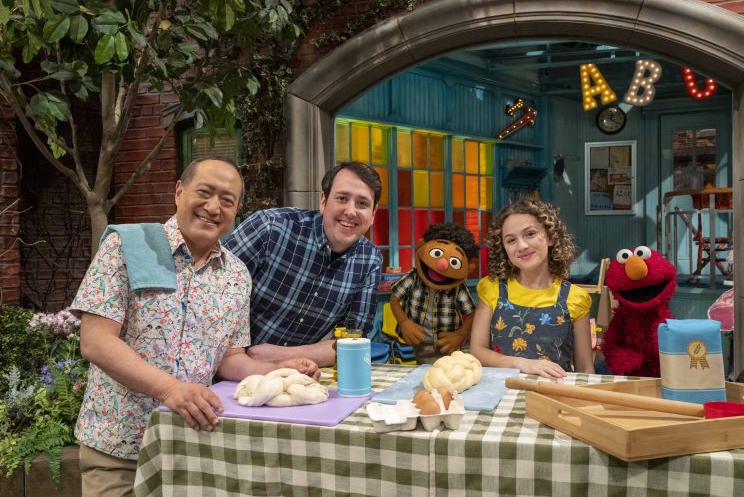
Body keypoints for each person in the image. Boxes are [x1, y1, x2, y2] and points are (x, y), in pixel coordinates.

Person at [71, 157, 319, 497]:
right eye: (205, 192)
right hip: (120, 449)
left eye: (227, 200)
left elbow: (229, 359)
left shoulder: (236, 275)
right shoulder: (128, 246)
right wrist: (170, 389)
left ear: (237, 211)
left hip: (191, 446)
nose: (213, 207)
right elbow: (96, 342)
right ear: (179, 192)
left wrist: (276, 371)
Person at [225, 161, 383, 366]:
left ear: (373, 214)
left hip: (293, 376)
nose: (351, 211)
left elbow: (353, 344)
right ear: (324, 202)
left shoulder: (369, 260)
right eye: (342, 198)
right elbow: (212, 293)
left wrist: (282, 357)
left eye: (362, 203)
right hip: (221, 371)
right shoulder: (271, 228)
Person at [469, 197, 595, 377]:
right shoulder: (492, 288)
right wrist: (521, 364)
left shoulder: (575, 298)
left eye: (530, 234)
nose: (522, 246)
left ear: (550, 237)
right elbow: (477, 351)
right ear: (503, 248)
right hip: (502, 393)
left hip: (555, 395)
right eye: (511, 240)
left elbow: (585, 368)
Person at [389, 222, 478, 363]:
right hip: (417, 343)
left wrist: (460, 335)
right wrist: (404, 322)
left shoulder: (458, 288)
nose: (442, 265)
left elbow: (473, 313)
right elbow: (394, 299)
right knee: (421, 374)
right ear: (421, 247)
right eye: (437, 253)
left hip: (447, 346)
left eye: (453, 261)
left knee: (448, 374)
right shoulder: (413, 277)